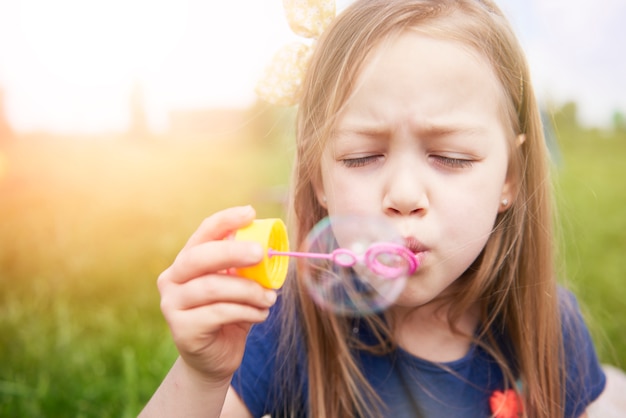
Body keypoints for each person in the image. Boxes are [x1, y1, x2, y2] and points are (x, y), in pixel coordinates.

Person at [139, 0, 607, 417]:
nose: (403, 195)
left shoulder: (549, 329)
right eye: (361, 157)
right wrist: (202, 377)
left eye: (452, 158)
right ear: (319, 180)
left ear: (510, 179)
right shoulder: (283, 326)